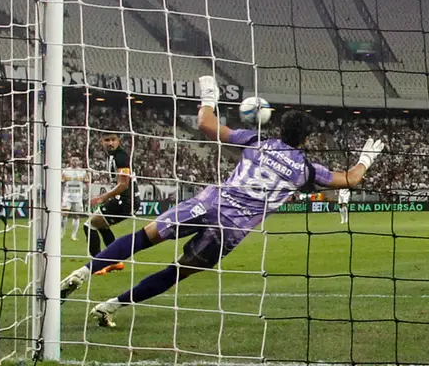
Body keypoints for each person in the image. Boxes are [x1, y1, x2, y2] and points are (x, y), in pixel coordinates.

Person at [60, 75, 384, 328]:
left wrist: (208, 98)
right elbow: (350, 179)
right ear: (306, 140)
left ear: (279, 128)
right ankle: (110, 306)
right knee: (176, 272)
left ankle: (84, 272)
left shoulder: (257, 141)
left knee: (144, 237)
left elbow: (205, 125)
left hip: (208, 203)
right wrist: (366, 160)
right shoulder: (306, 169)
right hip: (230, 230)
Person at [83, 132, 141, 275]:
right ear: (101, 142)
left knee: (90, 225)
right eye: (107, 140)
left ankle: (97, 264)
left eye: (113, 140)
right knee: (100, 225)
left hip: (126, 201)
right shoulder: (114, 157)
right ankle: (115, 262)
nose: (110, 143)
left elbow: (123, 185)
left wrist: (103, 197)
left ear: (118, 141)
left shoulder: (121, 157)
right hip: (125, 200)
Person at [61, 153, 90, 241]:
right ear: (70, 161)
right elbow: (62, 183)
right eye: (73, 160)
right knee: (64, 214)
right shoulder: (65, 171)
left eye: (76, 160)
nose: (74, 161)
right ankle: (62, 233)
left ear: (79, 161)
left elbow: (87, 183)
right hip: (67, 196)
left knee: (76, 216)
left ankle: (73, 235)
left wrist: (87, 192)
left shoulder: (83, 172)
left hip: (78, 197)